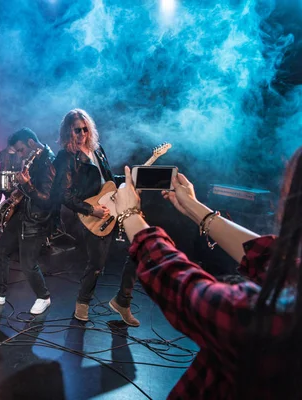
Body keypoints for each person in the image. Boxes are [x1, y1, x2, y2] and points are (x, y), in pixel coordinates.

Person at [111, 148, 302, 399]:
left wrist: (130, 216)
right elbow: (268, 256)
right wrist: (194, 208)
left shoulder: (278, 318)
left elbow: (186, 292)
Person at [51, 109, 139, 325]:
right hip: (91, 213)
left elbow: (108, 180)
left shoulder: (97, 150)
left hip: (113, 206)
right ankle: (82, 303)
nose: (81, 133)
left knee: (138, 251)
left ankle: (123, 302)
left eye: (85, 129)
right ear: (68, 131)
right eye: (76, 130)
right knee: (97, 264)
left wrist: (130, 180)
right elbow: (63, 194)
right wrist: (92, 210)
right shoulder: (66, 157)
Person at [0, 128, 56, 315]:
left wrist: (26, 185)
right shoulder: (34, 158)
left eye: (20, 150)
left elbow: (47, 199)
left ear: (31, 143)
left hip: (36, 219)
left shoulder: (49, 163)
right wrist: (19, 190)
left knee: (28, 264)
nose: (20, 155)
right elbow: (30, 188)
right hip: (23, 213)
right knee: (0, 249)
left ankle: (44, 297)